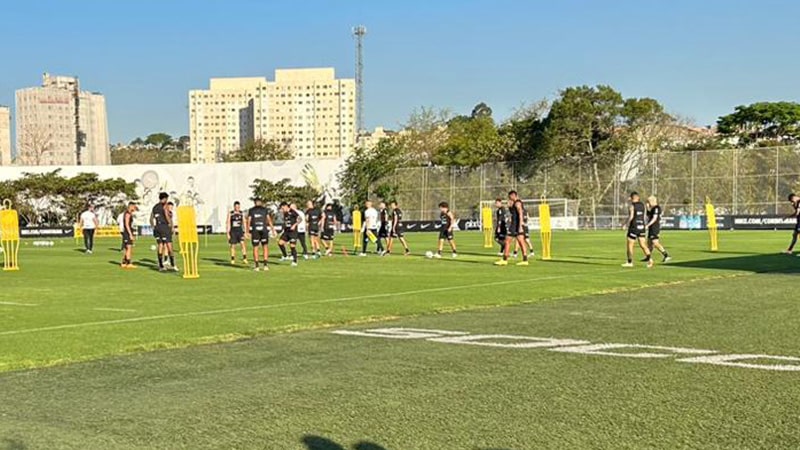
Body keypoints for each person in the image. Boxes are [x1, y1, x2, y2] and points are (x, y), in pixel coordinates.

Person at [495, 191, 529, 266]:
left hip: (516, 225)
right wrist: (510, 207)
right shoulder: (515, 203)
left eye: (510, 197)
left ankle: (504, 259)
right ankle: (525, 259)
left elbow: (520, 214)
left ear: (513, 195)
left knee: (507, 241)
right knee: (521, 241)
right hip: (515, 224)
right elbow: (513, 213)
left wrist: (520, 226)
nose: (509, 198)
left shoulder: (517, 203)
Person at [623, 192, 653, 268]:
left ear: (631, 198)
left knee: (630, 244)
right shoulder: (643, 205)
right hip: (641, 226)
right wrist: (644, 225)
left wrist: (625, 224)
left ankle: (630, 262)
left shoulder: (632, 206)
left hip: (634, 227)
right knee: (643, 245)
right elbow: (644, 216)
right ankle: (650, 259)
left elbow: (631, 217)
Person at [246, 198, 275, 272]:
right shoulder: (265, 209)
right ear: (260, 202)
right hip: (264, 230)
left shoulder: (251, 210)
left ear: (254, 203)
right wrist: (272, 229)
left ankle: (257, 266)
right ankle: (265, 265)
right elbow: (269, 220)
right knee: (265, 246)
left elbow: (248, 221)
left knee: (256, 247)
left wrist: (247, 231)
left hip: (255, 231)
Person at [150, 192, 172, 271]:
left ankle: (161, 265)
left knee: (160, 245)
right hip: (164, 226)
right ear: (165, 198)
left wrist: (154, 227)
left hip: (157, 228)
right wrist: (170, 225)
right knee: (168, 245)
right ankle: (172, 264)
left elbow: (151, 219)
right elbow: (166, 216)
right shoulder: (164, 206)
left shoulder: (154, 207)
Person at [646, 196, 671, 262]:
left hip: (655, 227)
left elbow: (654, 218)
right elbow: (649, 216)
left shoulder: (656, 208)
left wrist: (647, 225)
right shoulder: (652, 208)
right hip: (651, 227)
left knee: (655, 242)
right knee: (649, 243)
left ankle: (666, 255)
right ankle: (648, 256)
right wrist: (648, 208)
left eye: (648, 202)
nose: (648, 203)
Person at [278, 202, 300, 266]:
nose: (282, 210)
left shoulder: (292, 211)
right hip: (286, 231)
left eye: (283, 208)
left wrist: (294, 225)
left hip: (293, 232)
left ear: (285, 206)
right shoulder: (285, 213)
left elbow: (300, 219)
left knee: (292, 246)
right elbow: (286, 222)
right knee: (280, 243)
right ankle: (285, 256)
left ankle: (295, 261)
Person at [226, 201, 248, 265]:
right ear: (234, 207)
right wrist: (227, 233)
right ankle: (232, 259)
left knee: (242, 244)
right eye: (236, 207)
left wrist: (245, 232)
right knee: (233, 245)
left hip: (240, 231)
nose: (237, 208)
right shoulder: (231, 213)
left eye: (238, 207)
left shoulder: (241, 213)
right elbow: (228, 222)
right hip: (233, 232)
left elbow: (244, 222)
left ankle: (244, 258)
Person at [120, 202, 138, 269]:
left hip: (127, 232)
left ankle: (124, 262)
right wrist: (130, 234)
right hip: (127, 233)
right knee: (129, 248)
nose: (134, 208)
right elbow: (127, 225)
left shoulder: (128, 213)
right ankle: (129, 263)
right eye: (133, 207)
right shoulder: (127, 214)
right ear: (131, 206)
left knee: (127, 248)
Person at [163, 202, 178, 271]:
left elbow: (171, 221)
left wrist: (173, 228)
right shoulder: (166, 213)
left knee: (167, 246)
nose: (171, 208)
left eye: (172, 207)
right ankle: (169, 261)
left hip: (169, 230)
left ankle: (166, 260)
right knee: (167, 246)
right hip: (165, 230)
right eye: (170, 207)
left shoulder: (171, 213)